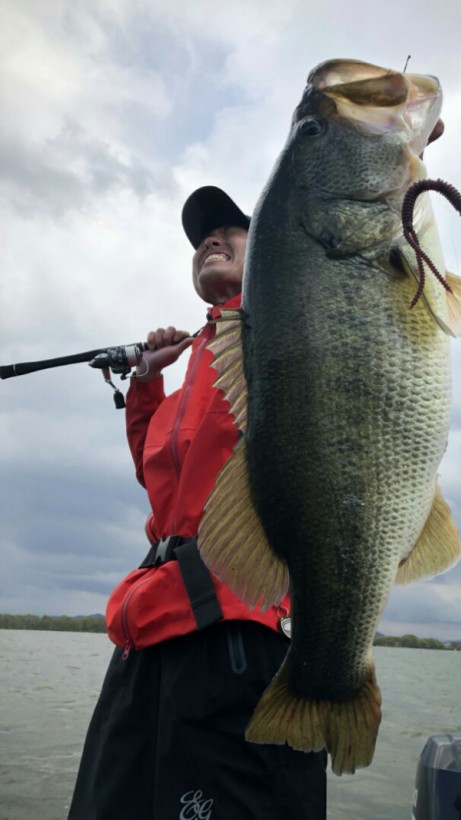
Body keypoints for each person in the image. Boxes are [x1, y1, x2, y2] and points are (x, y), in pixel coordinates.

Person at [68, 186, 327, 820]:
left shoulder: (280, 333)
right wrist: (148, 380)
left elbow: (346, 263)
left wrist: (401, 163)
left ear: (266, 252)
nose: (212, 238)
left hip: (236, 628)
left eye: (233, 231)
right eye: (201, 238)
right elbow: (163, 480)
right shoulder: (192, 366)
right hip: (151, 631)